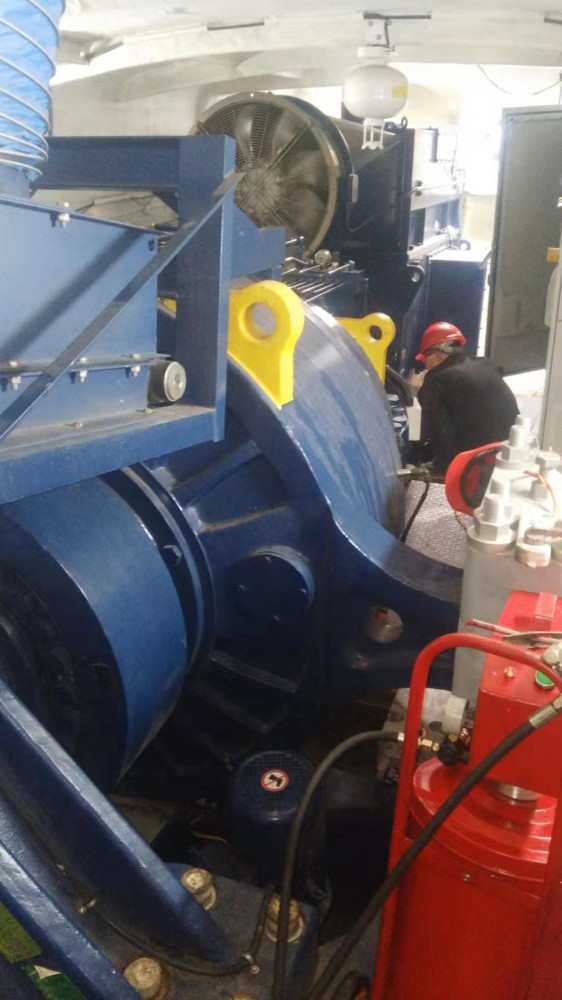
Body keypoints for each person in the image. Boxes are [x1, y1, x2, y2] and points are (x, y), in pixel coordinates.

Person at [416, 322, 519, 472]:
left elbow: (431, 430)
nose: (425, 365)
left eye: (425, 357)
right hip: (509, 452)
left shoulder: (436, 379)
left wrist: (423, 460)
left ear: (437, 353)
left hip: (474, 464)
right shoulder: (485, 364)